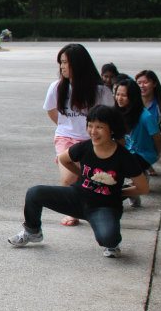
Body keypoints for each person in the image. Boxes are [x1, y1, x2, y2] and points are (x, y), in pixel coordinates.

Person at [8, 105, 148, 258]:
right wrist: (81, 174)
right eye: (90, 125)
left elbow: (143, 187)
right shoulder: (85, 147)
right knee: (35, 193)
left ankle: (113, 245)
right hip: (77, 196)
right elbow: (63, 159)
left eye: (99, 127)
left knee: (108, 239)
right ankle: (32, 231)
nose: (93, 131)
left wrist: (119, 193)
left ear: (112, 129)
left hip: (104, 207)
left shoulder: (124, 157)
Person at [43, 43, 115, 226]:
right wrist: (66, 126)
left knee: (93, 178)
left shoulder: (101, 91)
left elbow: (109, 117)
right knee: (69, 177)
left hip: (93, 141)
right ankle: (71, 211)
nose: (62, 67)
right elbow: (51, 111)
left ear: (78, 64)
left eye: (65, 62)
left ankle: (95, 208)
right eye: (60, 62)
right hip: (65, 138)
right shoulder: (56, 87)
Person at [115, 78, 161, 208]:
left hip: (143, 154)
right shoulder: (117, 112)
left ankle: (133, 187)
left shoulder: (146, 116)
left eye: (124, 95)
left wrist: (157, 154)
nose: (119, 98)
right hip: (127, 151)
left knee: (121, 169)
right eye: (117, 94)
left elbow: (158, 139)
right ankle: (135, 186)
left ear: (133, 97)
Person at [134, 69, 161, 134]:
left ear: (154, 84)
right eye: (139, 83)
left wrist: (155, 132)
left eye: (145, 82)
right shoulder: (130, 102)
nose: (142, 86)